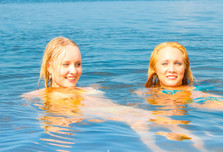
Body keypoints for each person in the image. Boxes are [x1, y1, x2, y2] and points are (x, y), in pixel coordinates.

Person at [23, 37, 203, 151]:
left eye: (78, 64)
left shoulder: (90, 90)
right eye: (66, 64)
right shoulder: (35, 97)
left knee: (193, 140)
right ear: (49, 67)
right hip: (135, 121)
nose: (74, 71)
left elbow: (112, 108)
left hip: (137, 118)